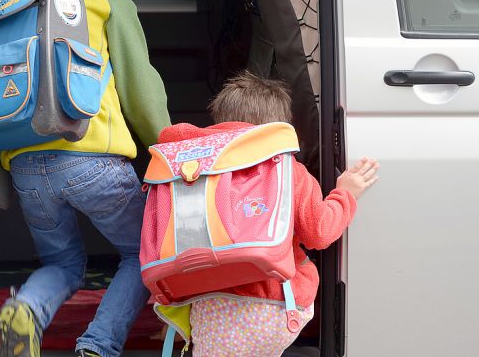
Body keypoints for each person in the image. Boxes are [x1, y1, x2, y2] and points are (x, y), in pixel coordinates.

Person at [0, 0, 171, 357]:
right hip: (93, 159)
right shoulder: (105, 0)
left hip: (26, 164)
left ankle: (26, 308)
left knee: (62, 263)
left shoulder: (8, 5)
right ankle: (98, 344)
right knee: (143, 254)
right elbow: (140, 86)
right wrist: (167, 145)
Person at [156, 71, 379, 357]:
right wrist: (345, 193)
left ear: (220, 124)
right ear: (279, 128)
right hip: (276, 307)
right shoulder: (288, 171)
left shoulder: (192, 174)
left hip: (208, 310)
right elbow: (319, 232)